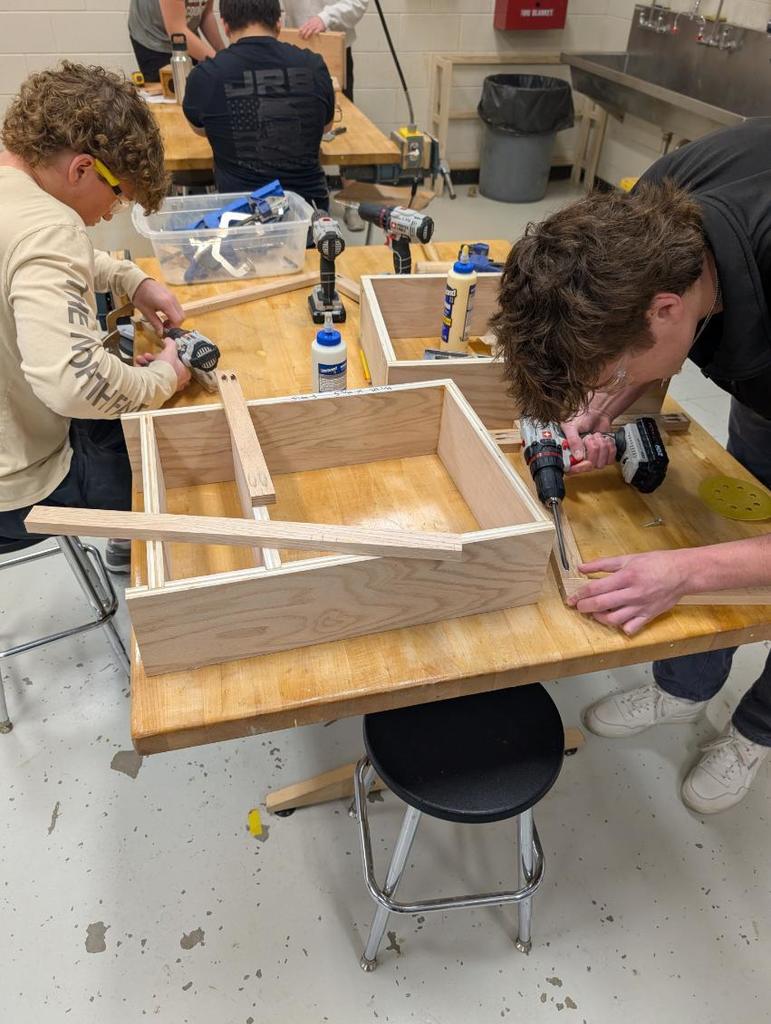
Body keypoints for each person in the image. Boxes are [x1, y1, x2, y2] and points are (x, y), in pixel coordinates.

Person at [491, 117, 771, 814]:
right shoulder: (651, 213)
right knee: (741, 508)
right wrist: (611, 405)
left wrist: (683, 573)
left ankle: (755, 733)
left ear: (667, 308)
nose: (602, 388)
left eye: (606, 372)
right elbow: (648, 356)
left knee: (718, 562)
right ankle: (685, 690)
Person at [0, 63, 190, 573]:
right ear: (82, 169)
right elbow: (74, 385)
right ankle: (140, 552)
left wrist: (130, 280)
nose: (112, 213)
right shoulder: (49, 228)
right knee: (175, 457)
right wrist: (162, 377)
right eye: (118, 194)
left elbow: (23, 259)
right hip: (20, 486)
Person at [182, 0, 335, 209]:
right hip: (310, 219)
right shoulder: (314, 66)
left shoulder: (206, 75)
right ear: (278, 23)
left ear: (225, 25)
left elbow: (199, 129)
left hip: (242, 222)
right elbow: (326, 127)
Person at [281, 0, 368, 102]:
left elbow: (358, 2)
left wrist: (326, 18)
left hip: (334, 52)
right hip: (293, 48)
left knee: (340, 111)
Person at [128, 0, 224, 83]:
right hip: (153, 37)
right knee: (169, 91)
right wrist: (221, 62)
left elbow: (206, 13)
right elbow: (177, 31)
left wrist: (224, 52)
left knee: (195, 86)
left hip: (186, 32)